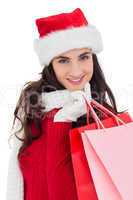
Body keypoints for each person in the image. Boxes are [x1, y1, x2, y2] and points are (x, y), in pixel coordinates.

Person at [6, 7, 123, 200]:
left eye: (84, 57)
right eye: (63, 60)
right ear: (50, 64)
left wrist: (62, 121)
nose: (76, 71)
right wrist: (61, 119)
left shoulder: (103, 118)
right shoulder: (33, 108)